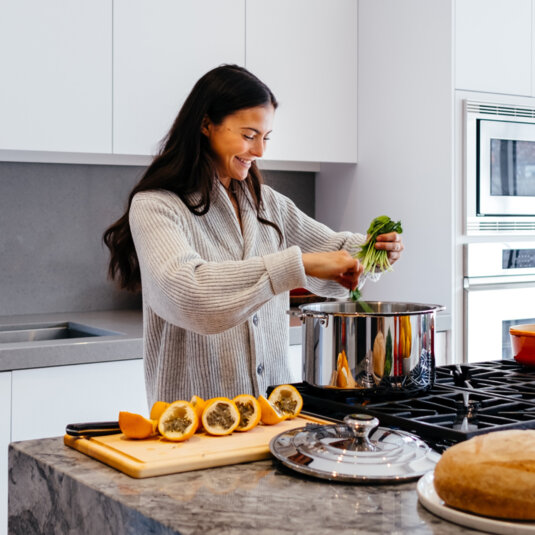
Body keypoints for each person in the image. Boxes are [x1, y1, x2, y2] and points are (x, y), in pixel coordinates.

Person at [103, 64, 403, 408]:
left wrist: (374, 251)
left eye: (266, 137)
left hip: (273, 415)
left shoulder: (267, 204)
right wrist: (297, 265)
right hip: (192, 423)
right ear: (205, 125)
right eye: (249, 135)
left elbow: (334, 252)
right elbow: (189, 294)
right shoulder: (157, 206)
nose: (260, 151)